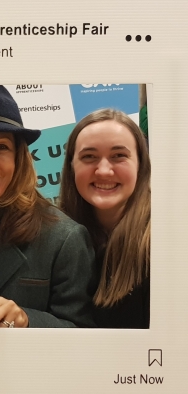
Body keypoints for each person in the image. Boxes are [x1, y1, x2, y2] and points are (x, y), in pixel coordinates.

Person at [0, 85, 96, 344]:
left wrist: (27, 320)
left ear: (19, 157)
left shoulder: (64, 238)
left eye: (0, 147)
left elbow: (83, 332)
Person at [60, 109, 150, 328]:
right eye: (89, 156)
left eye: (119, 155)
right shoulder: (55, 238)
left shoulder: (168, 244)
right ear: (72, 166)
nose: (103, 171)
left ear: (141, 163)